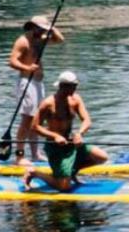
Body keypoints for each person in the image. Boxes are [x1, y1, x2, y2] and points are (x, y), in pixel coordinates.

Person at [23, 71, 108, 192]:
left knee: (102, 157)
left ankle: (71, 172)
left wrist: (79, 133)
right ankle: (34, 173)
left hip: (72, 144)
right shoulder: (48, 103)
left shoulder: (76, 99)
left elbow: (87, 120)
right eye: (73, 86)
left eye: (75, 85)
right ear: (63, 86)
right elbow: (35, 127)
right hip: (55, 148)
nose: (76, 88)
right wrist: (55, 136)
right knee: (64, 187)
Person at [8, 15, 64, 165]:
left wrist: (52, 27)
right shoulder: (23, 41)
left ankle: (35, 154)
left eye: (43, 29)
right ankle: (19, 157)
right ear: (33, 27)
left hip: (38, 83)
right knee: (26, 120)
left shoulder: (40, 39)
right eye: (40, 29)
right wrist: (27, 67)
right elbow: (12, 61)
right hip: (26, 82)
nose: (42, 32)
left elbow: (60, 40)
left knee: (37, 119)